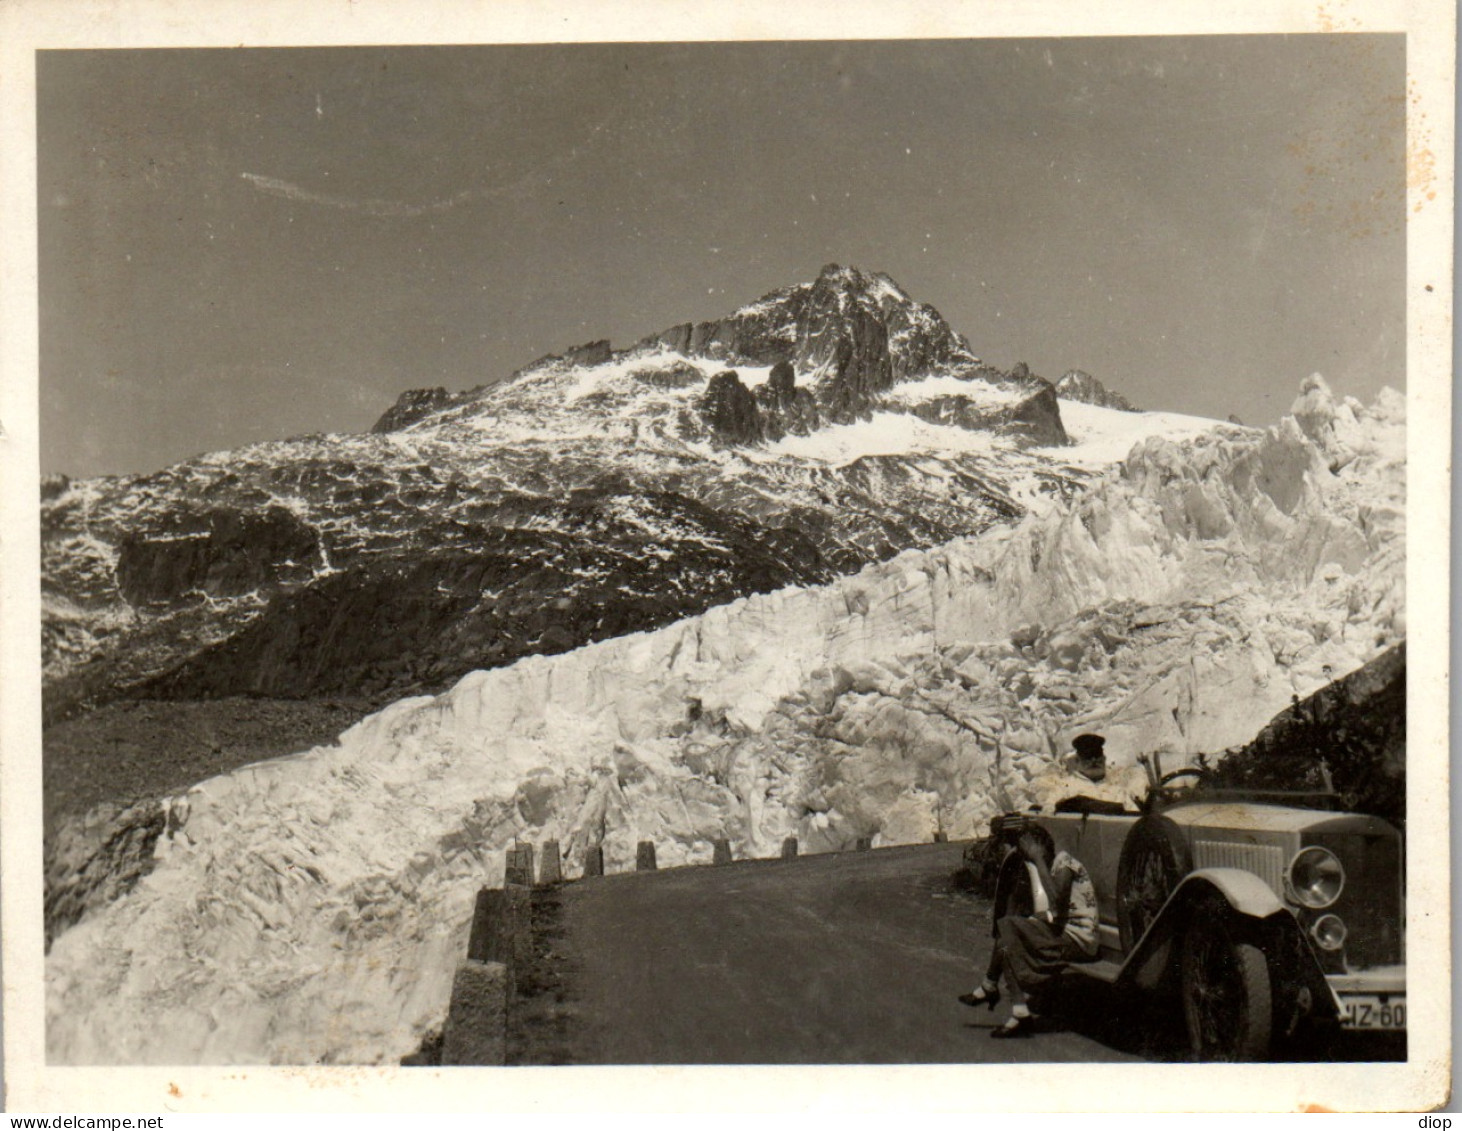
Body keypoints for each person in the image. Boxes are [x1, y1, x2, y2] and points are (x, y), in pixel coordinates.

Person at [958, 828, 1099, 1037]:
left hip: (1079, 940)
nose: (1027, 854)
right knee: (1008, 930)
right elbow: (1059, 910)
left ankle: (992, 988)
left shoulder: (1065, 862)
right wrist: (1044, 918)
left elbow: (1056, 900)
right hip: (1066, 933)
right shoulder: (1054, 866)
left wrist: (1037, 858)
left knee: (1008, 928)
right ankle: (1016, 1009)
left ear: (1041, 846)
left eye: (1029, 848)